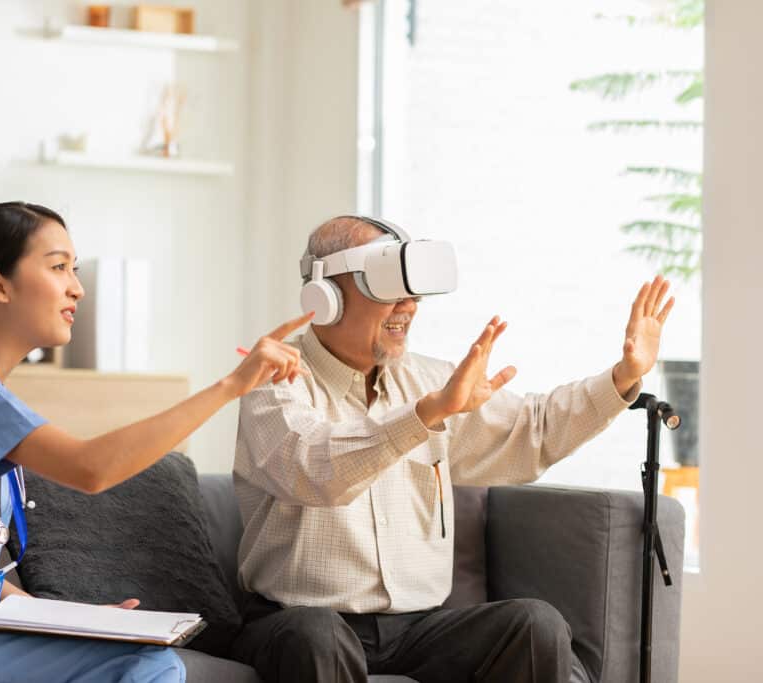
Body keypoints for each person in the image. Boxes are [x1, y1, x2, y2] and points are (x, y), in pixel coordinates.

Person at [0, 201, 313, 683]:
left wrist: (68, 619)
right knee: (145, 670)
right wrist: (230, 387)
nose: (77, 289)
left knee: (140, 660)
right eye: (58, 267)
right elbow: (91, 469)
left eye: (75, 269)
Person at [230, 215, 676, 683]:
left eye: (413, 290)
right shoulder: (274, 380)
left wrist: (622, 377)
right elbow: (312, 468)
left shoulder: (429, 380)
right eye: (388, 287)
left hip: (417, 629)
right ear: (326, 296)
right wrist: (424, 416)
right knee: (316, 634)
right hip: (298, 620)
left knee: (534, 623)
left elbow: (533, 428)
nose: (410, 305)